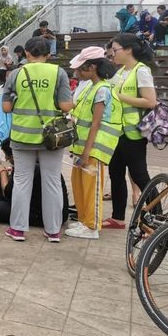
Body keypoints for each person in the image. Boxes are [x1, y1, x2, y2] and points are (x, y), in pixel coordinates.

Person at [1, 37, 73, 242]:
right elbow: (66, 106)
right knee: (52, 182)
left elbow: (6, 108)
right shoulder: (58, 73)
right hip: (51, 138)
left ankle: (17, 229)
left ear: (26, 53)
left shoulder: (15, 74)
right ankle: (53, 231)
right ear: (48, 54)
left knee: (22, 181)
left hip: (22, 136)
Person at [64, 47, 122, 239]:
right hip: (82, 147)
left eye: (82, 69)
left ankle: (92, 226)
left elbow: (96, 123)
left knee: (92, 187)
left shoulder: (102, 90)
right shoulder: (91, 87)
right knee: (79, 185)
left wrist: (87, 152)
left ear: (94, 67)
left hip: (93, 148)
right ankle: (83, 220)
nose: (78, 73)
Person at [103, 34, 158, 229]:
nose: (113, 54)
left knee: (139, 175)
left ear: (128, 49)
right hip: (117, 133)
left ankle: (157, 215)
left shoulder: (140, 71)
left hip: (133, 133)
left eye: (115, 50)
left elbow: (150, 101)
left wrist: (119, 96)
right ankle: (118, 217)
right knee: (115, 173)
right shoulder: (120, 73)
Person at [0, 139, 70, 226]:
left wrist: (3, 172)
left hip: (40, 216)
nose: (6, 159)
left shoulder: (23, 169)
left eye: (7, 156)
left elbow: (7, 193)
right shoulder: (46, 164)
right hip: (61, 215)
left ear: (15, 156)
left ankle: (19, 226)